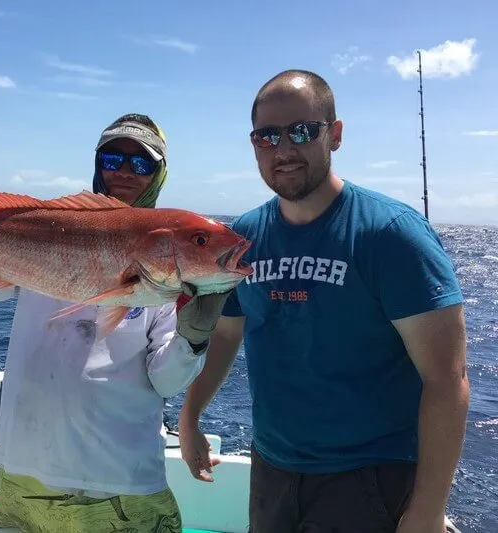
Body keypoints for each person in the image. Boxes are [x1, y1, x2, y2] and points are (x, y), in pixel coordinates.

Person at [0, 113, 230, 533]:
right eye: (113, 159)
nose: (126, 172)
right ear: (97, 165)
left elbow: (167, 380)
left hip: (120, 485)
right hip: (24, 473)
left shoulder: (173, 279)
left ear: (159, 173)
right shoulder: (54, 227)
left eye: (142, 163)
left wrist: (194, 335)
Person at [178, 70, 469, 533]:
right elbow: (227, 333)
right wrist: (190, 417)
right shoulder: (244, 239)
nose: (284, 149)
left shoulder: (391, 235)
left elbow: (446, 380)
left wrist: (428, 510)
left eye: (301, 131)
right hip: (272, 469)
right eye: (267, 136)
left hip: (369, 479)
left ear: (334, 135)